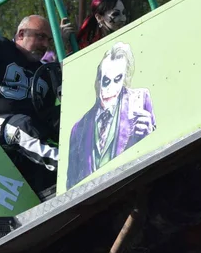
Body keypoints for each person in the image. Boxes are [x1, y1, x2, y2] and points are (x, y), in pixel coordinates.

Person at [0, 15, 60, 181]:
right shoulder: (0, 46)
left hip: (28, 121)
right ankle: (69, 165)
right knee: (21, 127)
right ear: (21, 34)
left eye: (48, 40)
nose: (45, 45)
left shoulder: (44, 71)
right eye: (41, 36)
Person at [67, 42, 157, 189]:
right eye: (106, 81)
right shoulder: (78, 128)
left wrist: (149, 135)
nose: (111, 88)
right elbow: (71, 184)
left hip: (135, 185)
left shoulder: (140, 100)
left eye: (117, 80)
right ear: (98, 81)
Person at [61, 0, 129, 51]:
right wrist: (62, 42)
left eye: (124, 13)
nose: (123, 19)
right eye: (115, 14)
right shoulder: (87, 45)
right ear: (99, 17)